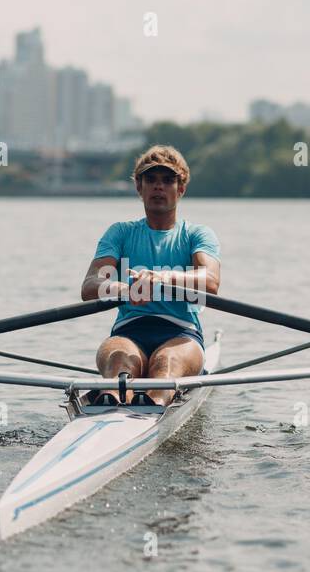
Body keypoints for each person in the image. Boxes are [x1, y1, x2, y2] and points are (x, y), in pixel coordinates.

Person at [79, 145, 221, 407]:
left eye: (168, 180)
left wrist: (163, 278)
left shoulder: (196, 235)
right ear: (139, 188)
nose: (159, 187)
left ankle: (150, 404)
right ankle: (111, 400)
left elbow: (210, 281)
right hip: (129, 331)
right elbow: (90, 286)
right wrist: (124, 289)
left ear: (181, 189)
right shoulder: (120, 233)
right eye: (151, 180)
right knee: (119, 362)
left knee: (165, 364)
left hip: (181, 332)